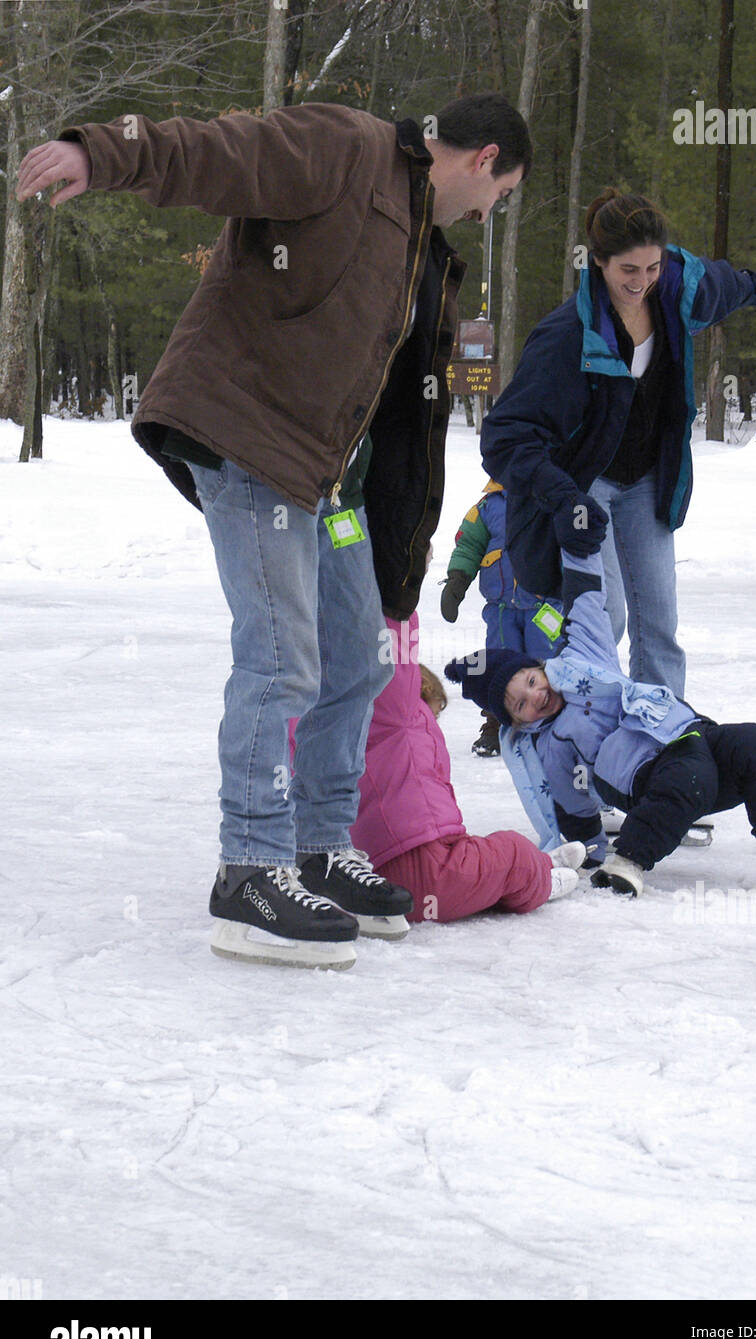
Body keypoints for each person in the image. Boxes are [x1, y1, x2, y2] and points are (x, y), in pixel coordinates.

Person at [17, 93, 531, 971]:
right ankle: (249, 871)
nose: (491, 215)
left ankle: (318, 851)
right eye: (502, 194)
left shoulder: (419, 242)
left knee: (362, 657)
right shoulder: (346, 147)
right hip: (247, 436)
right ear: (483, 159)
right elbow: (219, 151)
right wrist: (97, 154)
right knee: (281, 655)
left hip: (328, 478)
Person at [480, 187, 756, 700]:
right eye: (628, 270)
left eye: (651, 268)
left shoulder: (675, 294)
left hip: (648, 481)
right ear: (599, 262)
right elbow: (504, 434)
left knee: (660, 625)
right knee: (602, 620)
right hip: (588, 490)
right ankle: (588, 730)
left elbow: (727, 286)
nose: (642, 281)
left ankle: (663, 736)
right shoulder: (568, 335)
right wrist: (561, 497)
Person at [445, 550, 756, 898]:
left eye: (531, 682)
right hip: (647, 776)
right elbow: (571, 803)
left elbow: (586, 600)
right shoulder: (551, 744)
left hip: (692, 734)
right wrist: (587, 850)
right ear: (516, 721)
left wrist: (577, 538)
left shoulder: (584, 659)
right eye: (520, 704)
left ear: (541, 668)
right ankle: (628, 861)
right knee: (689, 777)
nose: (534, 696)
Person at [347, 614, 588, 923]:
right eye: (431, 715)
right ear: (415, 691)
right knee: (511, 852)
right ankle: (541, 879)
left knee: (479, 857)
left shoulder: (343, 728)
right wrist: (399, 590)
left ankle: (538, 865)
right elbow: (394, 654)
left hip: (371, 875)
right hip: (425, 869)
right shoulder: (399, 713)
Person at [440, 480, 565, 757]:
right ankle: (496, 724)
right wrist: (457, 580)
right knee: (500, 663)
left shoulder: (554, 496)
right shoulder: (487, 508)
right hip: (501, 609)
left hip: (545, 607)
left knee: (549, 661)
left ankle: (556, 725)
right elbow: (468, 545)